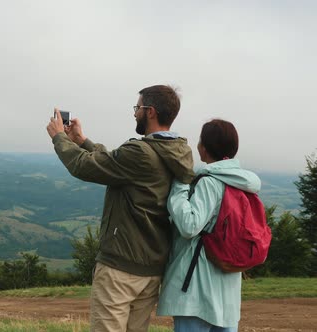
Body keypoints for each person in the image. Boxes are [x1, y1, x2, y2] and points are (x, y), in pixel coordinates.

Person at [46, 85, 195, 332]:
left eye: (137, 108)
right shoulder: (178, 152)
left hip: (120, 269)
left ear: (150, 112)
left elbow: (84, 166)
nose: (134, 113)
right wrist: (82, 141)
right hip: (152, 267)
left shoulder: (141, 151)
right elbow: (116, 162)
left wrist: (59, 137)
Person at [156, 119, 261, 331]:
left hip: (196, 292)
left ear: (204, 147)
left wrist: (179, 186)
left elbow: (189, 225)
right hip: (228, 297)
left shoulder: (210, 182)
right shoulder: (242, 183)